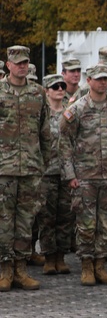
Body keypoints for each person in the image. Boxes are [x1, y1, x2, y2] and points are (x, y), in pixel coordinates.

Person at [59, 64, 107, 286]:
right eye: (98, 79)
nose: (103, 82)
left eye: (106, 79)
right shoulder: (77, 109)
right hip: (85, 176)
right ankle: (87, 266)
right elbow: (65, 143)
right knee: (86, 225)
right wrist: (70, 174)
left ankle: (101, 265)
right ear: (88, 81)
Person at [0, 46, 52, 291]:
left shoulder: (38, 93)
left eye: (25, 62)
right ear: (8, 65)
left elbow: (45, 131)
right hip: (4, 169)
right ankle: (5, 270)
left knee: (25, 221)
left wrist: (44, 162)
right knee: (3, 222)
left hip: (30, 168)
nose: (21, 66)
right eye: (17, 62)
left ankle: (21, 269)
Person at [37, 74, 74, 275]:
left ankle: (61, 257)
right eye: (55, 86)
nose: (60, 89)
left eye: (62, 86)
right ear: (47, 90)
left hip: (67, 172)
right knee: (46, 217)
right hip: (47, 172)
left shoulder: (71, 112)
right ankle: (49, 257)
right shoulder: (42, 114)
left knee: (66, 217)